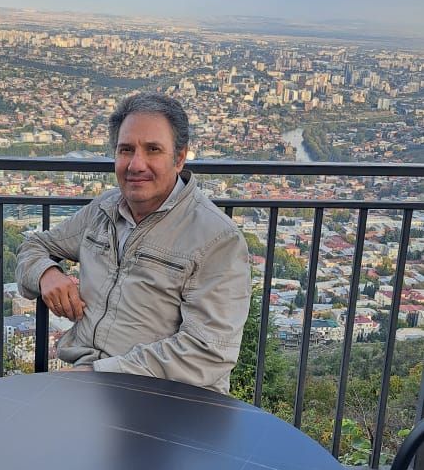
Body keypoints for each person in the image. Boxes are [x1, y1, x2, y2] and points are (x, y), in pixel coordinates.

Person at [15, 92, 251, 391]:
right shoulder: (104, 211)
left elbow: (208, 351)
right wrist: (46, 274)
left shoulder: (216, 238)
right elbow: (34, 246)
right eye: (126, 150)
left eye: (153, 150)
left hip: (168, 397)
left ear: (179, 158)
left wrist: (101, 373)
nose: (136, 164)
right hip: (92, 383)